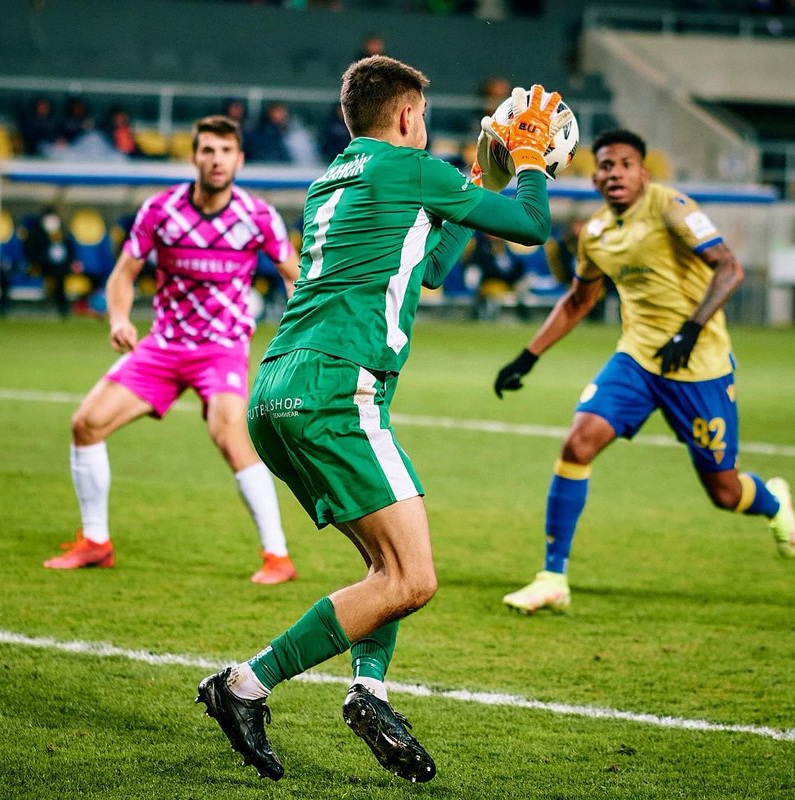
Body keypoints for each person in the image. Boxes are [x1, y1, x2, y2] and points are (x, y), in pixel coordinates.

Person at [195, 56, 567, 783]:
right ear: (405, 116)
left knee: (386, 563)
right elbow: (531, 225)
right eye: (420, 115)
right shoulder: (412, 168)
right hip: (340, 387)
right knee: (414, 578)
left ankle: (370, 690)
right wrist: (526, 160)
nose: (422, 126)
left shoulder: (330, 180)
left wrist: (479, 179)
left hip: (277, 389)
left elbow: (427, 267)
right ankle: (244, 686)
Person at [493, 128, 795, 615]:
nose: (613, 172)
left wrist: (692, 330)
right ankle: (553, 576)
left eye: (624, 164)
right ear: (593, 176)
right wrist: (528, 357)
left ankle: (772, 500)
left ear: (643, 171)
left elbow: (730, 268)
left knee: (724, 491)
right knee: (577, 443)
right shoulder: (594, 234)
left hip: (699, 368)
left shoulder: (671, 207)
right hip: (636, 361)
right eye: (605, 165)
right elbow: (579, 301)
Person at [43, 116, 302, 586]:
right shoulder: (160, 211)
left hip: (222, 348)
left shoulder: (257, 216)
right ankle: (96, 543)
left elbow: (296, 276)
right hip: (162, 346)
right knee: (86, 424)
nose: (216, 159)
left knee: (229, 435)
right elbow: (123, 274)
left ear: (239, 159)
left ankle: (277, 556)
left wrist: (298, 334)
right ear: (194, 156)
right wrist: (120, 319)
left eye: (226, 151)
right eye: (207, 150)